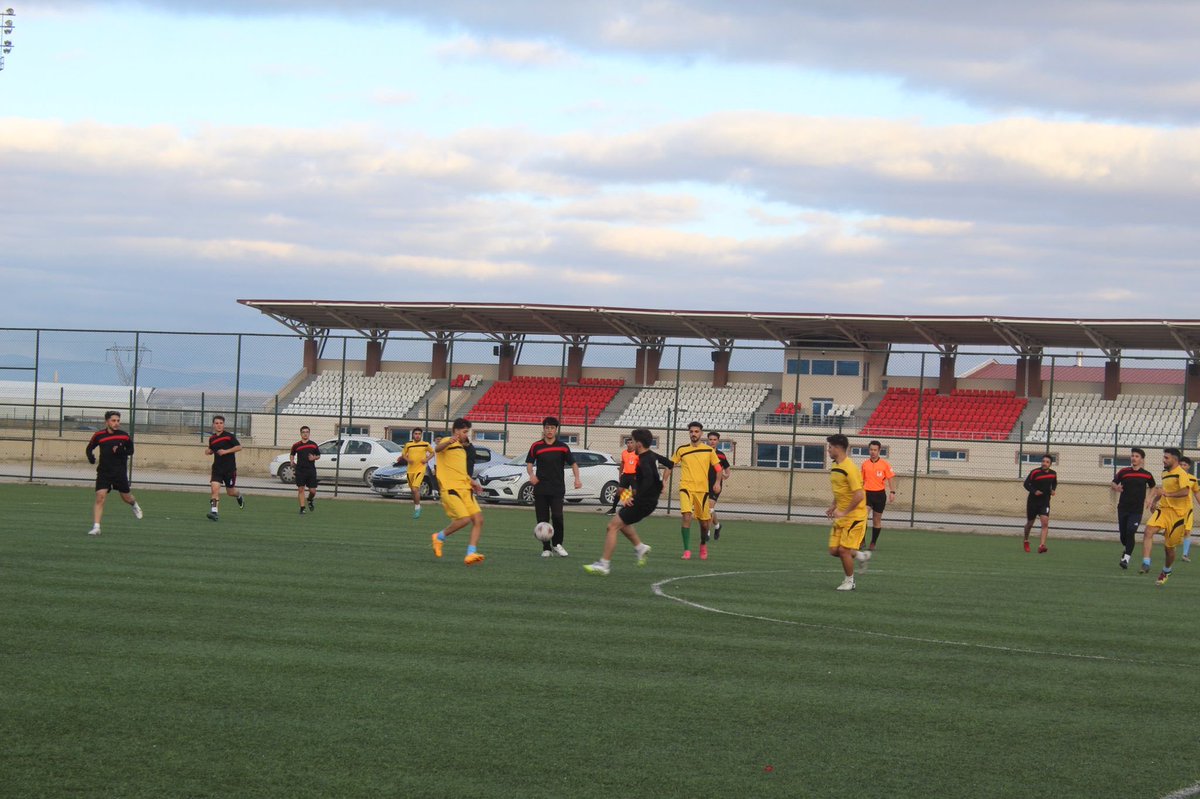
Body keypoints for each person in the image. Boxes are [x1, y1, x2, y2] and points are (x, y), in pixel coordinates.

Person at [584, 428, 670, 575]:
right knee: (621, 523)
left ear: (639, 444)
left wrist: (634, 497)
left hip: (643, 502)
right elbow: (670, 463)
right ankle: (640, 547)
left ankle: (604, 565)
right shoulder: (651, 455)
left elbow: (648, 479)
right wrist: (661, 483)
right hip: (649, 501)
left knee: (612, 527)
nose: (631, 444)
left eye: (633, 441)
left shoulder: (644, 459)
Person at [430, 418, 486, 566]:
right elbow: (437, 449)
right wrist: (448, 441)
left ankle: (471, 553)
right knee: (464, 519)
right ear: (456, 431)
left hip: (465, 488)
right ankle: (439, 537)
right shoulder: (448, 442)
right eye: (464, 432)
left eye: (468, 432)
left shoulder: (461, 449)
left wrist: (473, 482)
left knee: (478, 520)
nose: (466, 435)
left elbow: (460, 471)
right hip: (451, 489)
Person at [525, 417, 582, 558]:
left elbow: (573, 464)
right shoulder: (536, 446)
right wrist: (531, 475)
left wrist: (577, 479)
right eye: (547, 428)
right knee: (542, 519)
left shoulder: (563, 447)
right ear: (543, 429)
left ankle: (557, 544)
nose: (549, 430)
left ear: (556, 430)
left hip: (557, 488)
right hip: (540, 488)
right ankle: (546, 548)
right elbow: (529, 464)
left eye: (552, 428)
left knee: (557, 516)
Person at [670, 421, 723, 560]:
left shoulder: (709, 450)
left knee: (704, 524)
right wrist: (663, 481)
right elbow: (670, 465)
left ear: (701, 433)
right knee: (686, 516)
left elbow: (719, 468)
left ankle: (703, 544)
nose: (693, 434)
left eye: (696, 431)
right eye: (691, 431)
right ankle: (687, 550)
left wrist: (717, 482)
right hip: (686, 488)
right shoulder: (682, 449)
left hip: (702, 491)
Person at [825, 433, 871, 590]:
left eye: (830, 447)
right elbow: (841, 490)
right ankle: (861, 556)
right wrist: (833, 505)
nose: (828, 450)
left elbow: (859, 495)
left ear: (838, 448)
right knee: (834, 551)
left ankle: (849, 582)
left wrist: (844, 512)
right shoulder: (835, 465)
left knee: (844, 550)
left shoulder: (850, 468)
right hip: (842, 514)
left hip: (854, 516)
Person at [85, 410, 143, 535]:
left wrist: (121, 450)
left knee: (126, 498)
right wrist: (90, 457)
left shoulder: (124, 436)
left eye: (118, 420)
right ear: (107, 422)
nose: (116, 423)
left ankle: (134, 504)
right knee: (100, 497)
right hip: (104, 472)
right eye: (113, 420)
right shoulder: (99, 435)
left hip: (119, 472)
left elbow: (131, 451)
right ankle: (96, 527)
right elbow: (89, 447)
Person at [1140, 447, 1191, 584]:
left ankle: (1166, 571)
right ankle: (1146, 562)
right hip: (1163, 510)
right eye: (1164, 457)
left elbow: (1185, 491)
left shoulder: (1181, 474)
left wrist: (1167, 494)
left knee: (1169, 549)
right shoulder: (1164, 473)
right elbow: (1163, 490)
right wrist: (1154, 501)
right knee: (1148, 530)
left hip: (1177, 516)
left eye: (1166, 458)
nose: (1163, 460)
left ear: (1175, 459)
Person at [1110, 447, 1155, 570]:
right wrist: (1116, 487)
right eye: (1132, 456)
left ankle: (1126, 559)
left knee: (1131, 531)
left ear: (1142, 459)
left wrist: (1149, 498)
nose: (1134, 458)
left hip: (1136, 510)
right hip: (1123, 508)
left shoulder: (1146, 474)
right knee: (1124, 536)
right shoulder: (1124, 472)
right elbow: (1113, 482)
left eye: (1136, 456)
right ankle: (1127, 548)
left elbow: (1153, 487)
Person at [204, 415, 244, 521]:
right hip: (217, 469)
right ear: (213, 425)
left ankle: (239, 495)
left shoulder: (229, 436)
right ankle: (214, 512)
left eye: (221, 423)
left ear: (224, 424)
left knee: (230, 492)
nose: (219, 425)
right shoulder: (212, 438)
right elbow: (211, 449)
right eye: (216, 423)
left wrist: (226, 451)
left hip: (229, 469)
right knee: (214, 489)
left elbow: (239, 447)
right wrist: (208, 451)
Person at [861, 440, 897, 551]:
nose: (873, 452)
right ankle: (861, 540)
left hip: (879, 495)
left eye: (875, 450)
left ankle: (873, 542)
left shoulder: (885, 464)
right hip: (867, 493)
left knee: (876, 520)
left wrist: (892, 492)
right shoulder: (865, 464)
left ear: (879, 451)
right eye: (871, 449)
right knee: (862, 517)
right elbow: (861, 480)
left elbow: (891, 478)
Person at [1021, 455, 1057, 553]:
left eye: (1047, 462)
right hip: (1033, 502)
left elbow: (1054, 483)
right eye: (1043, 461)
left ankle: (1042, 546)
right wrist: (1034, 491)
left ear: (1050, 464)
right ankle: (1026, 540)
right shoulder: (1035, 472)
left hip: (1044, 502)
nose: (1044, 463)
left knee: (1045, 523)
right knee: (1030, 524)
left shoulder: (1053, 474)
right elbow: (1026, 484)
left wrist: (1053, 490)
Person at [400, 427, 434, 519]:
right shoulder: (408, 445)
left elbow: (432, 452)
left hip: (420, 469)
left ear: (421, 435)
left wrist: (426, 459)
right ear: (413, 435)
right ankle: (417, 506)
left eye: (419, 434)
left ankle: (417, 508)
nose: (417, 435)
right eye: (416, 434)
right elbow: (403, 454)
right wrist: (408, 460)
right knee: (413, 491)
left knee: (415, 489)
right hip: (410, 470)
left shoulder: (425, 444)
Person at [706, 431, 731, 540]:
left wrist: (726, 475)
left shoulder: (721, 455)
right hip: (702, 484)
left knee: (709, 508)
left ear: (718, 441)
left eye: (714, 440)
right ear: (707, 440)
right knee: (709, 509)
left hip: (715, 485)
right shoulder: (704, 453)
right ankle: (717, 526)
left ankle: (706, 532)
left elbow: (727, 468)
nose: (712, 441)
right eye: (710, 439)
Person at [290, 425, 320, 515]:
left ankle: (310, 499)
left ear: (309, 433)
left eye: (307, 432)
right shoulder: (296, 445)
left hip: (311, 470)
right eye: (303, 432)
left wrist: (314, 458)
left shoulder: (313, 444)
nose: (305, 434)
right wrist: (292, 461)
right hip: (300, 470)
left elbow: (318, 455)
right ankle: (302, 508)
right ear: (301, 434)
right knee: (301, 489)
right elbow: (292, 454)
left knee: (312, 491)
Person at [606, 437, 639, 515]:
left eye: (631, 443)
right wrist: (620, 473)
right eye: (628, 443)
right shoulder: (624, 453)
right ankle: (613, 509)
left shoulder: (637, 453)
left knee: (635, 492)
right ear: (626, 444)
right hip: (626, 475)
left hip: (634, 475)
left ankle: (635, 510)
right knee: (619, 491)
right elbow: (623, 463)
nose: (630, 444)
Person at [1180, 456, 1199, 563]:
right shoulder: (1174, 477)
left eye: (1185, 465)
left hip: (1188, 509)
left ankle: (1185, 554)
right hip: (1175, 509)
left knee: (1187, 531)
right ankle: (1170, 551)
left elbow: (1196, 492)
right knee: (1173, 533)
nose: (1183, 466)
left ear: (1189, 466)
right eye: (1181, 464)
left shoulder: (1193, 479)